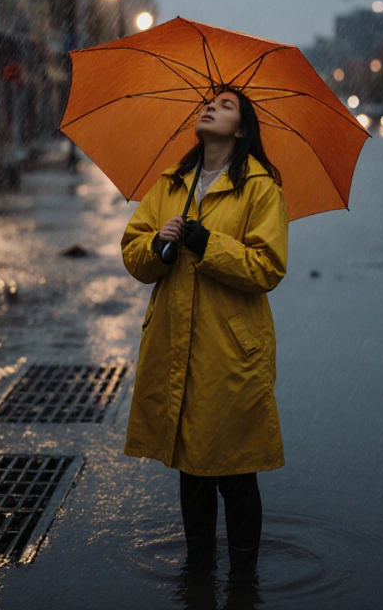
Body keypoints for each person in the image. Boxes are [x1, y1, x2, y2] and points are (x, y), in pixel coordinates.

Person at [120, 86, 288, 580]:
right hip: (176, 342)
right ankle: (197, 573)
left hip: (230, 349)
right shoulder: (171, 183)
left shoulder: (260, 188)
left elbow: (267, 267)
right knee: (191, 470)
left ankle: (243, 582)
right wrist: (161, 245)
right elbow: (134, 253)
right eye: (209, 101)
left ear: (240, 128)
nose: (211, 105)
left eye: (226, 104)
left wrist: (206, 243)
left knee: (234, 470)